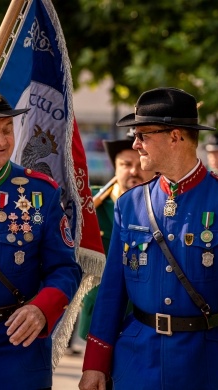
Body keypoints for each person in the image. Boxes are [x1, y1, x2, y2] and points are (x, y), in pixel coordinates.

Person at [79, 87, 218, 390]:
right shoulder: (130, 204)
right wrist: (95, 362)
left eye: (143, 135)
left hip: (210, 361)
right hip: (139, 360)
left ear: (175, 137)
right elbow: (112, 291)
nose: (135, 144)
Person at [0, 79, 82, 390]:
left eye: (6, 130)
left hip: (15, 357)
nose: (1, 140)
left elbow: (65, 269)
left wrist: (42, 309)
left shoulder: (42, 192)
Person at [78, 128, 156, 343]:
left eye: (140, 164)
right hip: (99, 310)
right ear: (115, 167)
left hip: (147, 315)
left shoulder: (161, 206)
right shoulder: (89, 203)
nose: (134, 171)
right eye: (126, 164)